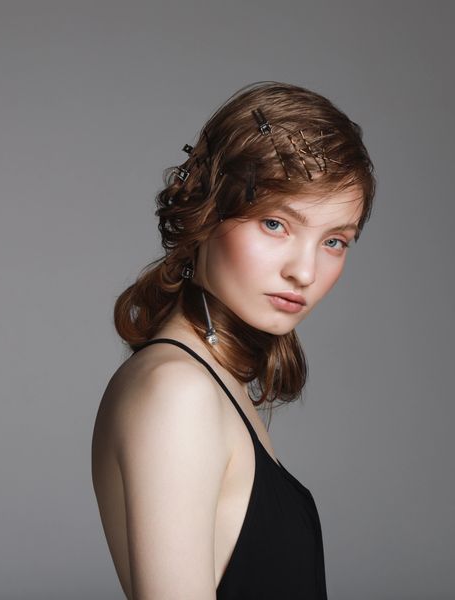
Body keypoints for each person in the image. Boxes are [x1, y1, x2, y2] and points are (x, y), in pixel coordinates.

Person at [91, 81, 375, 600]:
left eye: (335, 241)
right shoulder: (178, 393)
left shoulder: (208, 381)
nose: (305, 271)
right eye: (275, 223)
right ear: (207, 212)